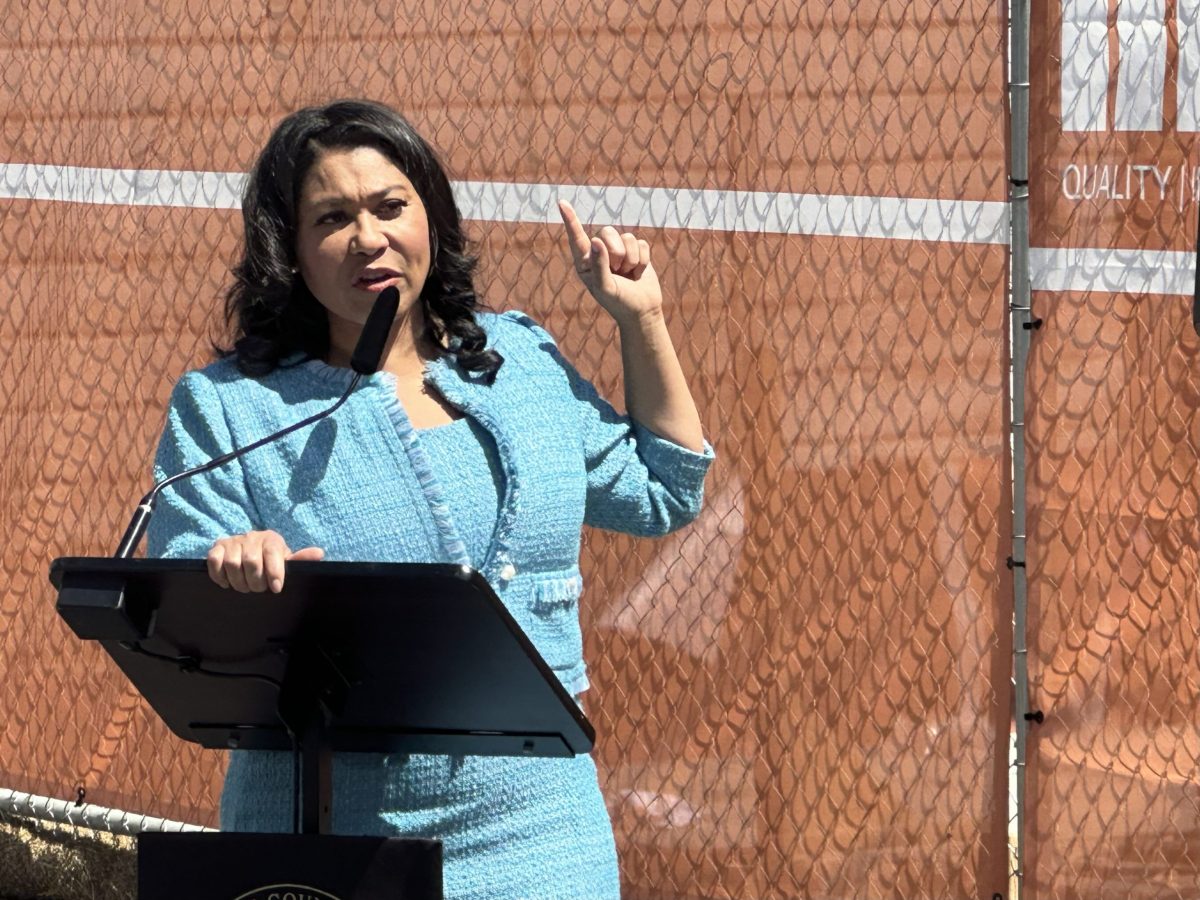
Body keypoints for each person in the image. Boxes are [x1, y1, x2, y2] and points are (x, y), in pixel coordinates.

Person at [146, 98, 712, 900]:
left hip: (541, 836)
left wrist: (642, 319)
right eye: (332, 218)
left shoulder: (519, 360)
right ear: (291, 250)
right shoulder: (233, 405)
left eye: (389, 207)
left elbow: (664, 490)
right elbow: (178, 571)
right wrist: (227, 564)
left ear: (431, 220)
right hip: (329, 839)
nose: (368, 238)